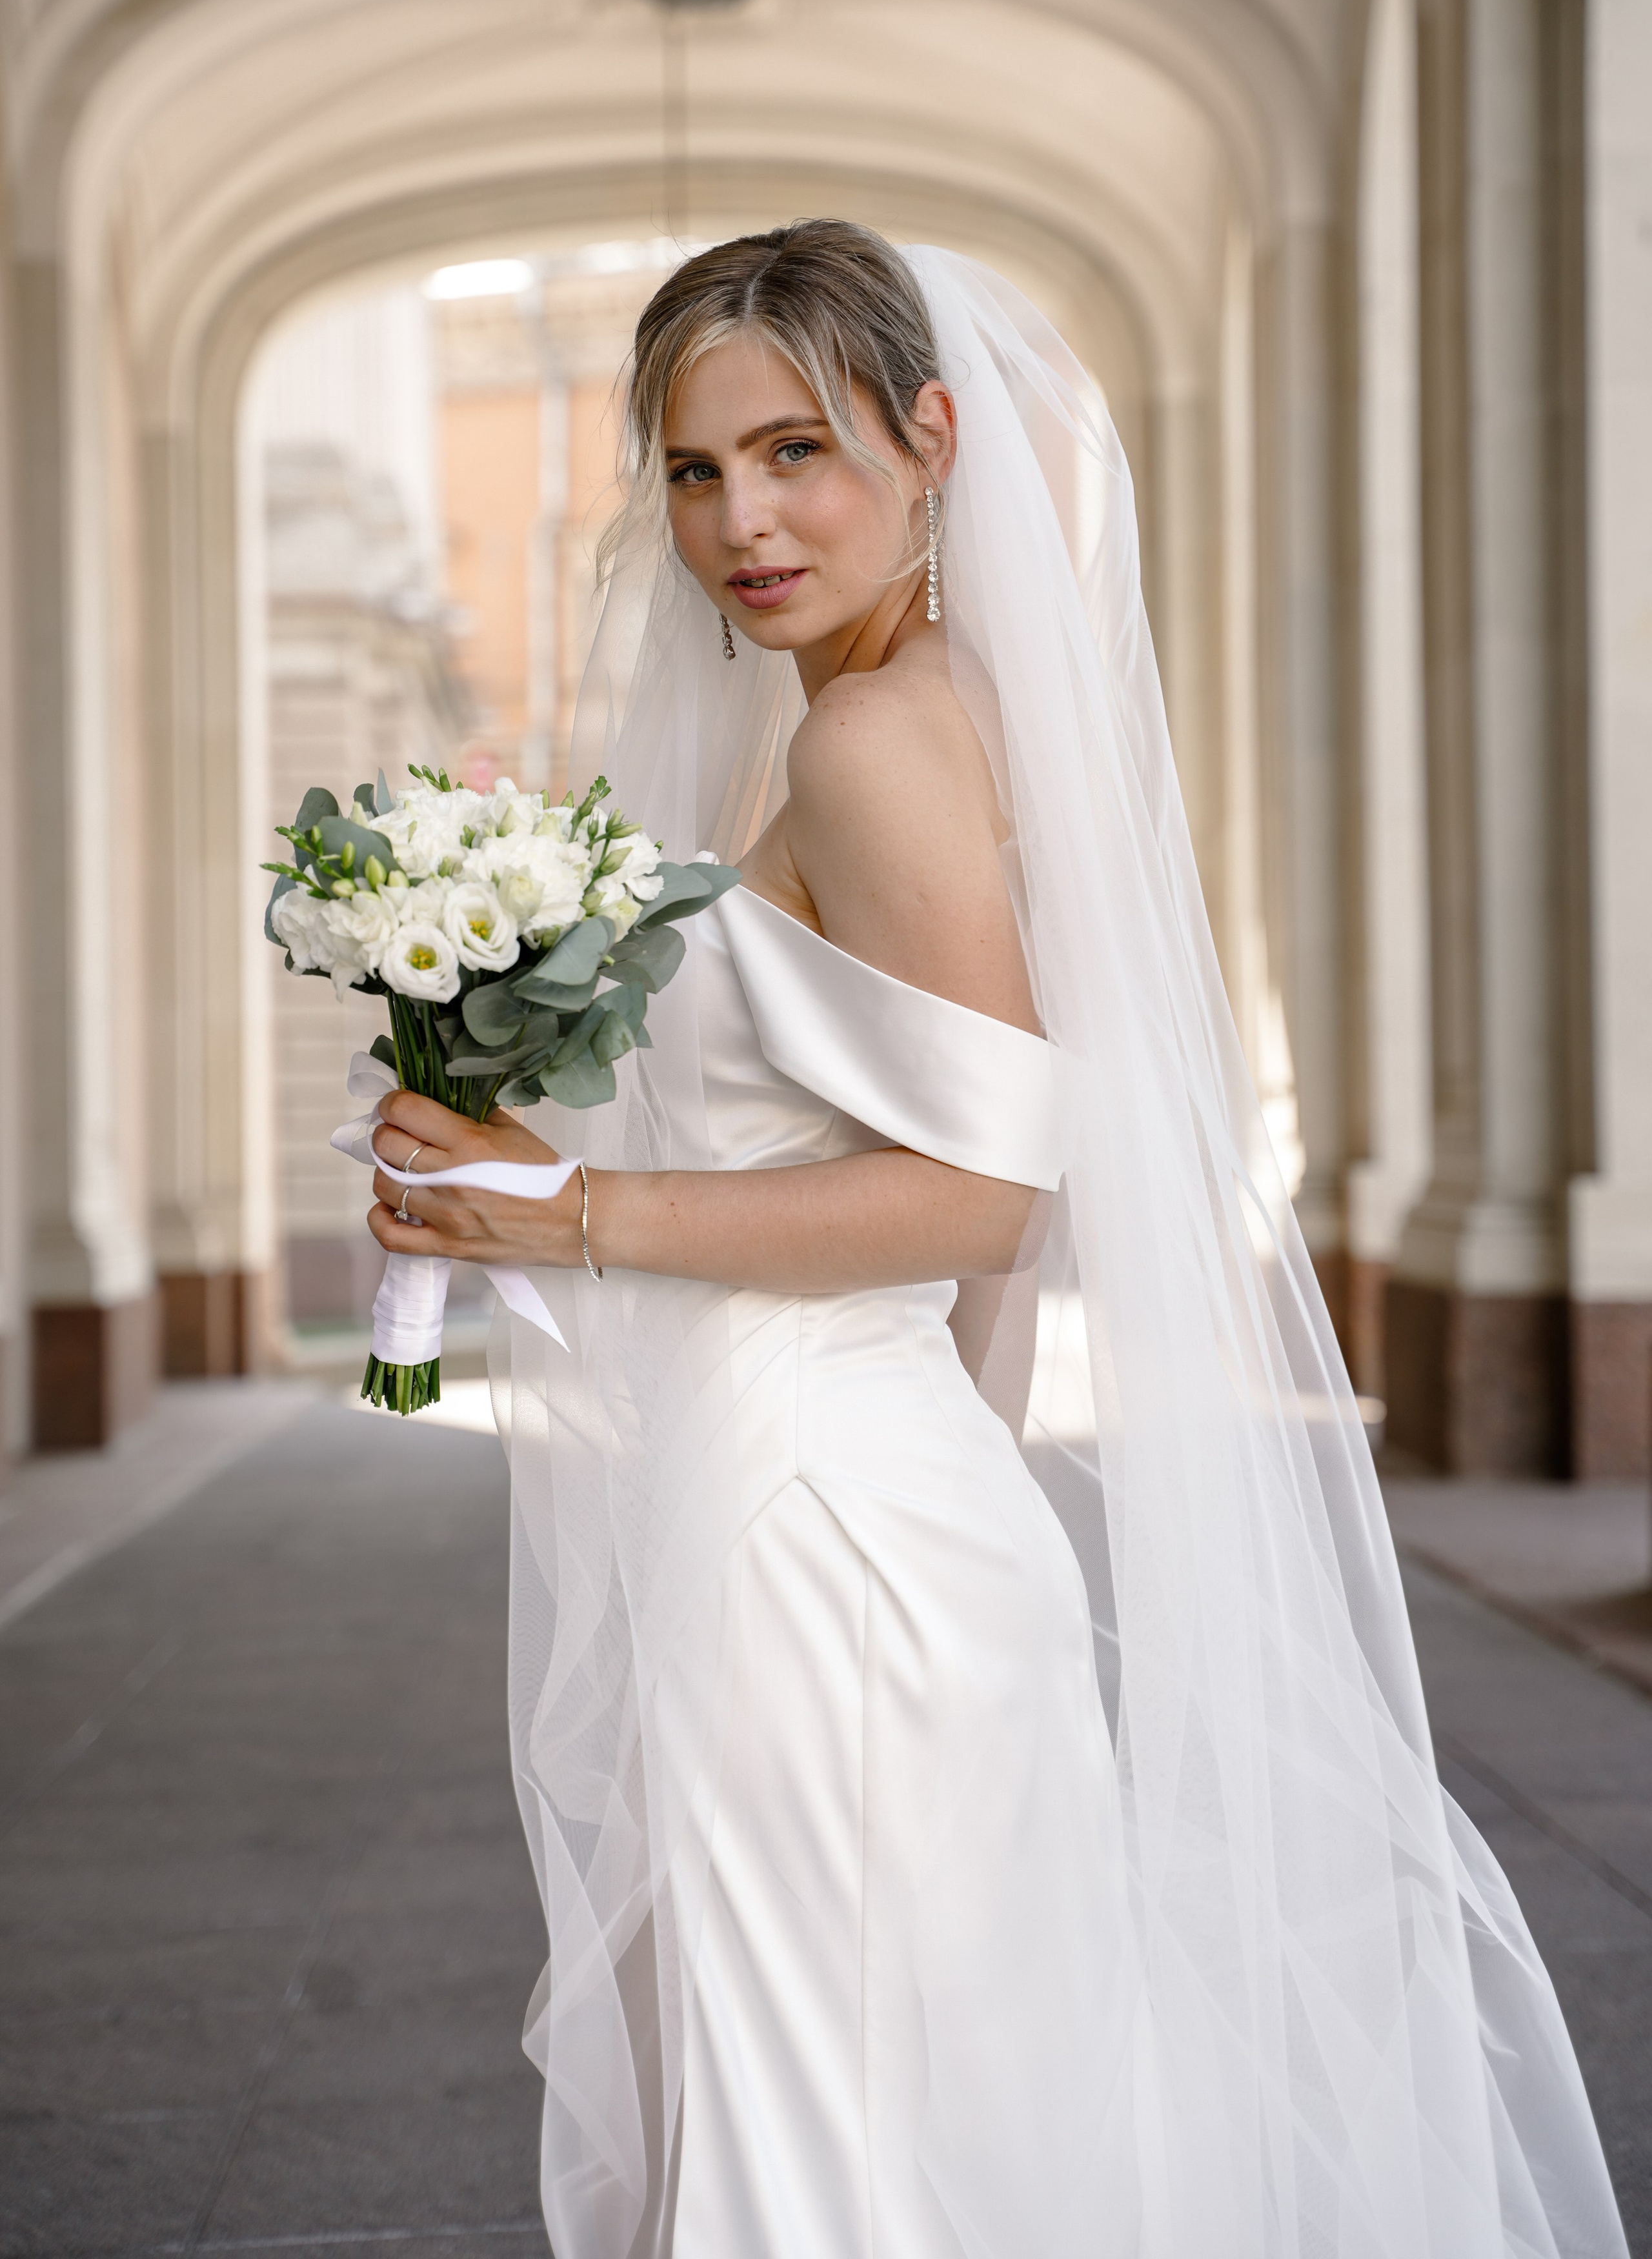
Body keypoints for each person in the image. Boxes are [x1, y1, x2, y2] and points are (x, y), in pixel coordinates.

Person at [364, 223, 1627, 2259]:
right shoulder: (943, 710)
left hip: (824, 1527)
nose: (743, 521)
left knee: (832, 2134)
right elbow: (950, 1197)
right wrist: (522, 1177)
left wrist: (568, 1208)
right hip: (877, 1506)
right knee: (921, 2114)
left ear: (934, 437)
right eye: (695, 470)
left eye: (798, 450)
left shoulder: (871, 743)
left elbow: (983, 1200)